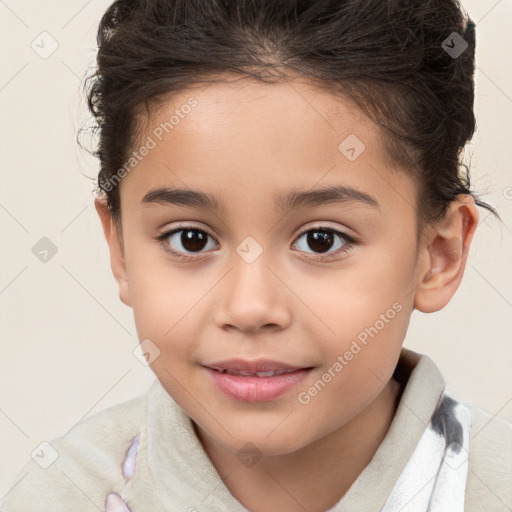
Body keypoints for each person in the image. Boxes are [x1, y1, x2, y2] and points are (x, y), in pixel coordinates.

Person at [2, 0, 511, 511]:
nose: (249, 308)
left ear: (438, 254)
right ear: (121, 250)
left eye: (321, 240)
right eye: (191, 239)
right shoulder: (59, 496)